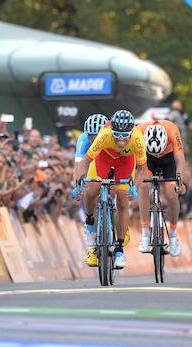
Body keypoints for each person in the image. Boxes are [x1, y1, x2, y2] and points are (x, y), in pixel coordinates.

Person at [72, 110, 145, 270]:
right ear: (111, 130)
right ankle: (90, 221)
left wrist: (134, 186)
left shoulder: (138, 138)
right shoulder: (104, 135)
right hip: (103, 159)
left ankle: (119, 249)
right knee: (92, 190)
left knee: (122, 198)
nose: (120, 138)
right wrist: (78, 182)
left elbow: (142, 169)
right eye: (116, 134)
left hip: (125, 162)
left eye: (124, 135)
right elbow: (85, 162)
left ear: (131, 132)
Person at [136, 118, 186, 256]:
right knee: (143, 187)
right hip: (147, 158)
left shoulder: (172, 130)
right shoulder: (138, 131)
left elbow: (180, 160)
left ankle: (174, 235)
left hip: (169, 158)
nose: (157, 154)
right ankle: (145, 233)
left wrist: (179, 181)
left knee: (171, 194)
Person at [73, 113, 107, 245]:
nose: (94, 140)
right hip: (90, 161)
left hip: (108, 159)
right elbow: (78, 166)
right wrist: (79, 185)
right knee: (89, 189)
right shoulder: (83, 140)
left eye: (97, 137)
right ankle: (89, 222)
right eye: (92, 137)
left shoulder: (110, 137)